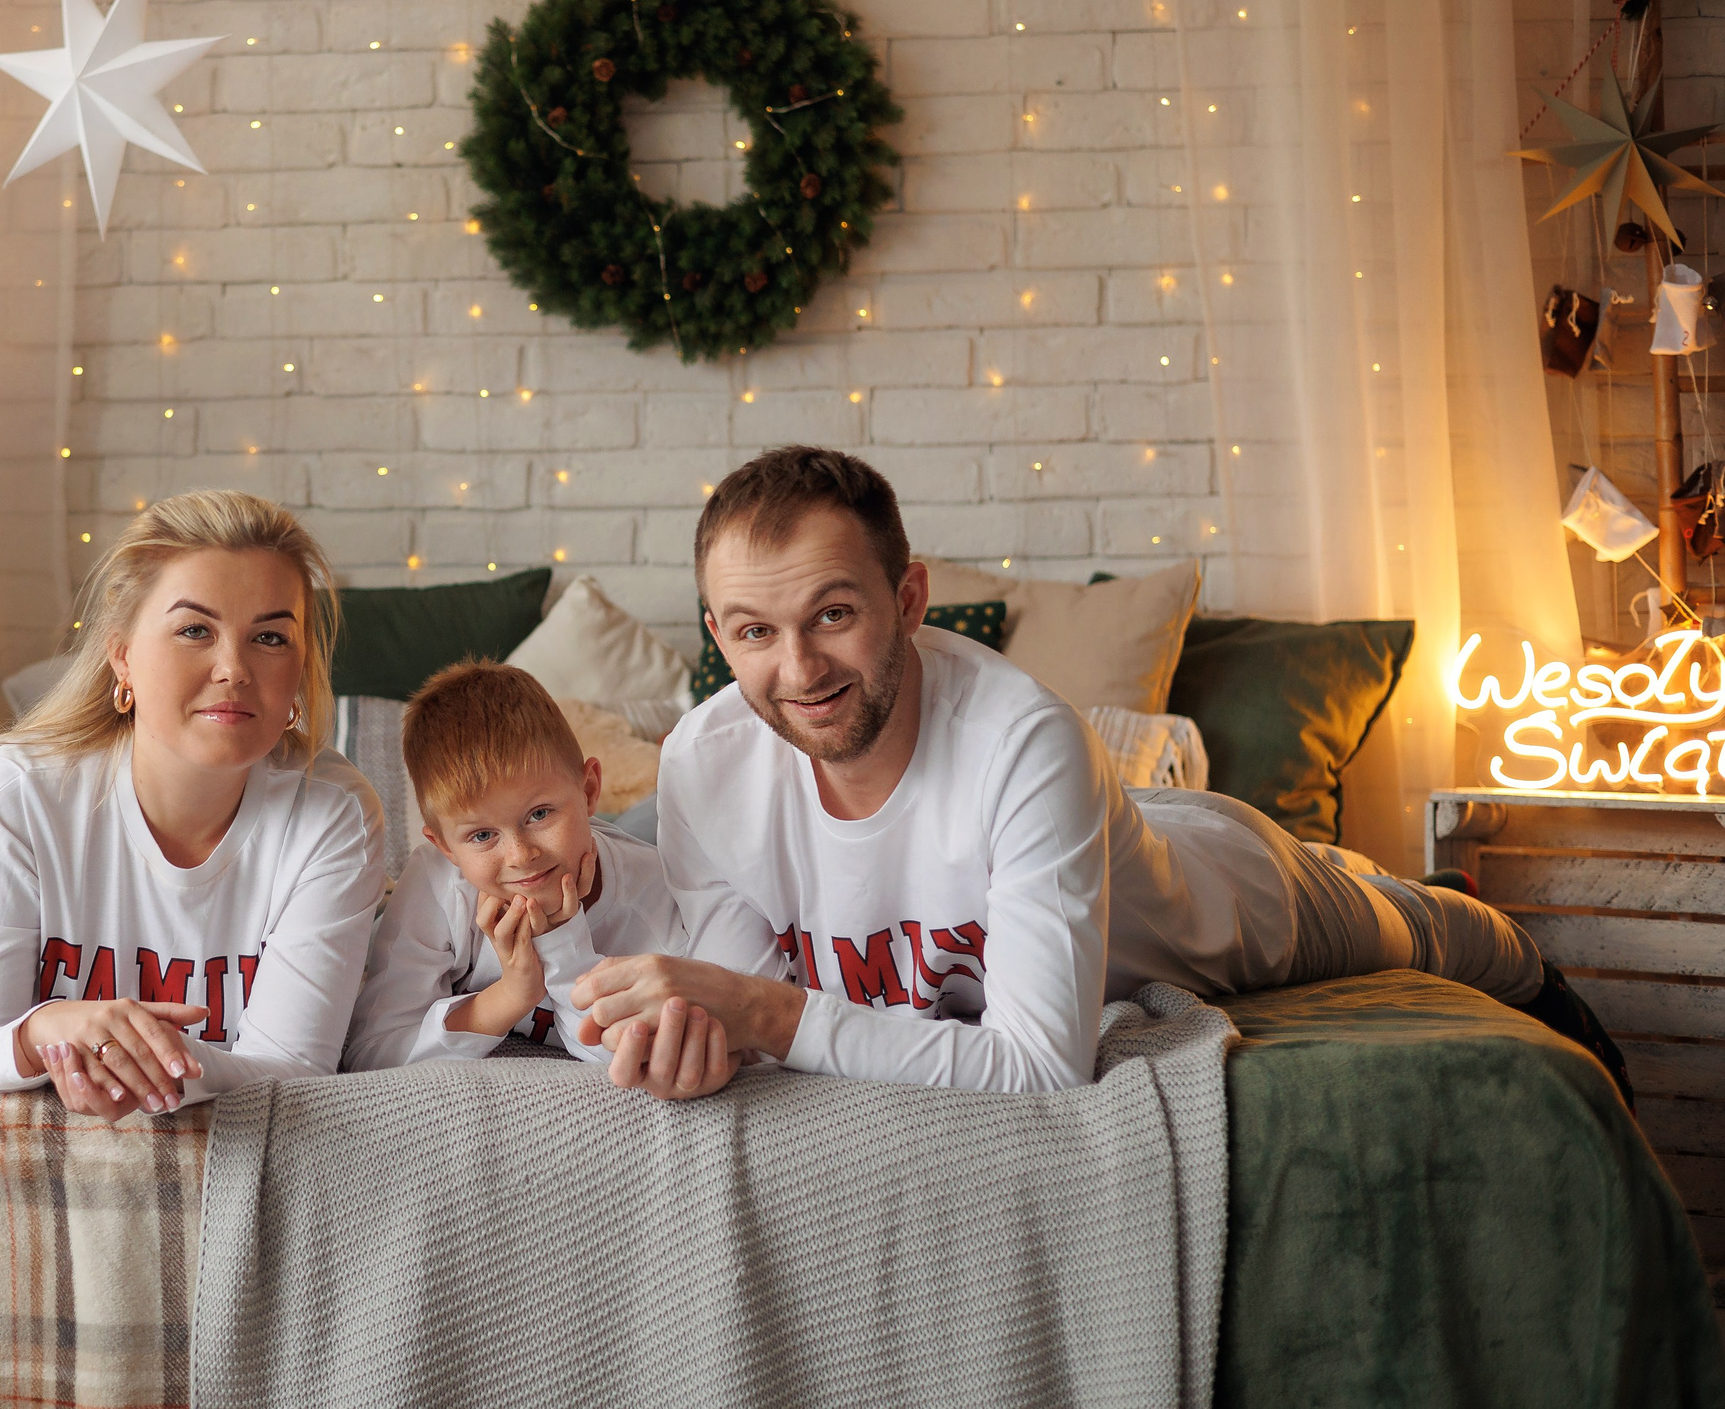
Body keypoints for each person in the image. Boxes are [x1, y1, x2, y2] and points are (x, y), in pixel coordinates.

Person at [570, 445, 1626, 1104]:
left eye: (832, 615)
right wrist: (705, 1038)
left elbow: (1034, 1066)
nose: (796, 670)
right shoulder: (703, 766)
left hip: (1224, 886)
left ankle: (1476, 923)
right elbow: (745, 998)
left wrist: (762, 1018)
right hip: (1088, 835)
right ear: (717, 634)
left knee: (1419, 926)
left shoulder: (1021, 739)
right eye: (755, 632)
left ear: (908, 599)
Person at [0, 490, 385, 1120]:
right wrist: (48, 1031)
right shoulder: (18, 796)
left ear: (301, 668)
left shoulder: (333, 815)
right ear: (122, 656)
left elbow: (294, 1072)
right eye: (195, 629)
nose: (233, 669)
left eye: (270, 637)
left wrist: (134, 1057)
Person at [344, 661, 685, 1070]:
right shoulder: (437, 885)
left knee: (671, 812)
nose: (521, 856)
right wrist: (508, 997)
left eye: (540, 814)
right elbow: (371, 1054)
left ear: (589, 789)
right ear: (445, 847)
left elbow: (645, 1059)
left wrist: (562, 945)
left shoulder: (657, 893)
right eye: (482, 836)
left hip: (630, 841)